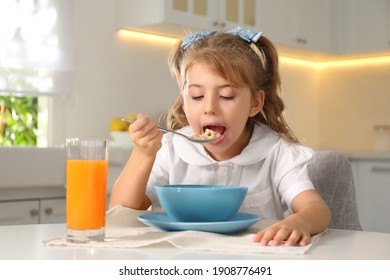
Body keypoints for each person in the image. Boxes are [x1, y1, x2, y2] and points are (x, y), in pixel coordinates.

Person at [109, 27, 331, 246]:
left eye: (226, 95)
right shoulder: (170, 149)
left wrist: (299, 222)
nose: (209, 108)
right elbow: (119, 215)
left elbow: (315, 209)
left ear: (255, 103)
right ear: (184, 101)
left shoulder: (277, 153)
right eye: (197, 96)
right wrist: (143, 153)